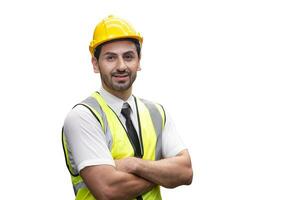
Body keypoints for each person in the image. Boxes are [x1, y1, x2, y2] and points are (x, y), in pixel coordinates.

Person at [62, 15, 193, 200]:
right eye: (110, 58)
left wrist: (133, 165)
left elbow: (186, 172)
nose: (121, 66)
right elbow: (108, 190)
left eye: (128, 57)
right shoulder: (84, 116)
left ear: (139, 61)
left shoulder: (157, 113)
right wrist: (163, 173)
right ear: (95, 64)